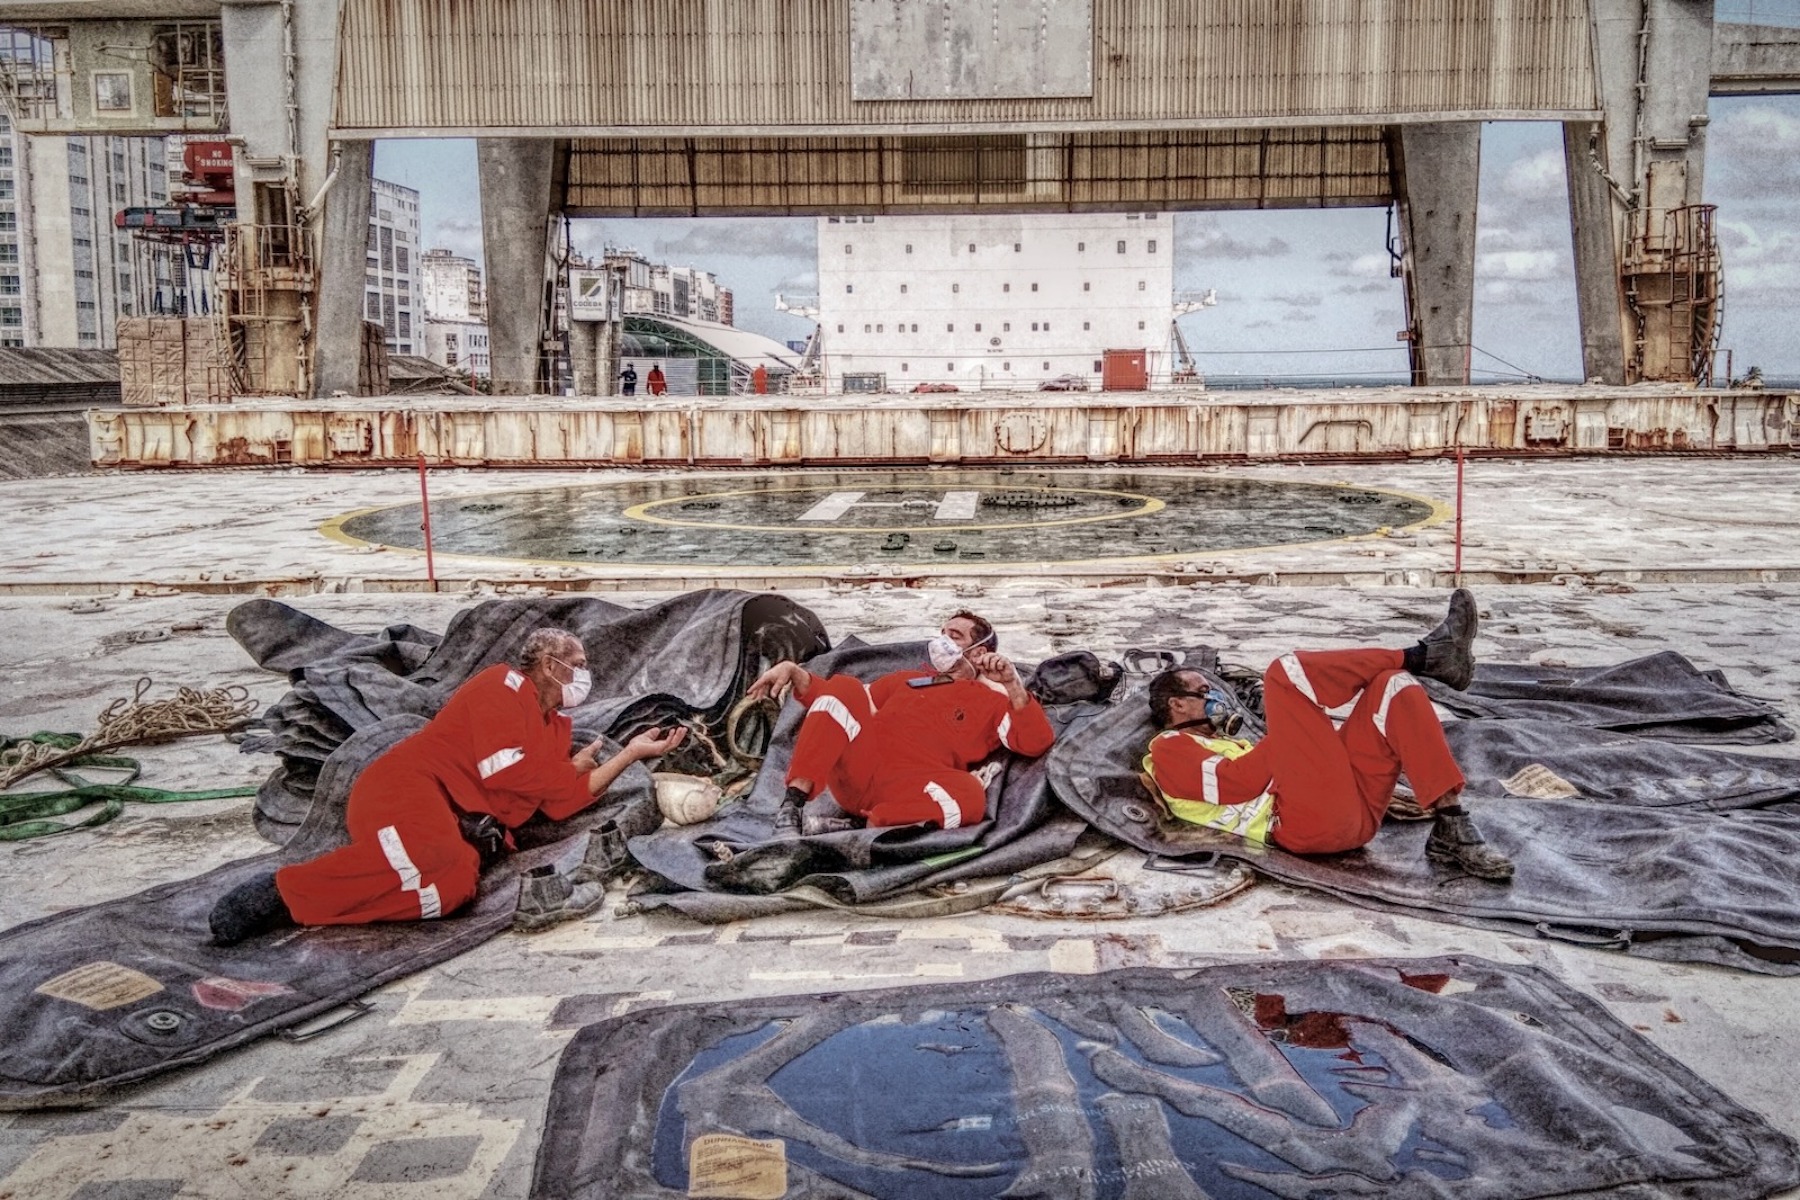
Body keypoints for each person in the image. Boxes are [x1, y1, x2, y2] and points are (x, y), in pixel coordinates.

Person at [208, 629, 686, 944]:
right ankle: (287, 892)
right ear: (547, 664)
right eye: (577, 663)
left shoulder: (556, 727)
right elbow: (509, 774)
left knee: (453, 888)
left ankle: (326, 902)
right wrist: (571, 771)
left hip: (460, 822)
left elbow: (562, 802)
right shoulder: (501, 689)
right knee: (432, 858)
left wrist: (630, 754)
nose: (584, 673)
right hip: (409, 786)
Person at [1140, 589, 1513, 881]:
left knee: (1392, 686)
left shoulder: (1228, 743)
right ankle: (1425, 656)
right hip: (1299, 827)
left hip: (1356, 816)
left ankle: (1453, 824)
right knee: (1283, 674)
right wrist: (1290, 732)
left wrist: (1297, 735)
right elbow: (1233, 786)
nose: (1217, 696)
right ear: (1177, 705)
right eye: (1205, 691)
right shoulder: (1168, 750)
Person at [746, 611, 1053, 836]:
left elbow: (1035, 741)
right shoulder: (908, 681)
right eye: (942, 632)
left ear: (980, 651)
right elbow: (840, 706)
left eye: (955, 636)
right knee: (845, 686)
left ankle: (864, 825)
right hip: (861, 773)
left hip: (913, 789)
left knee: (971, 796)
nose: (942, 640)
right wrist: (796, 672)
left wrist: (1012, 683)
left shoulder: (993, 701)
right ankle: (791, 808)